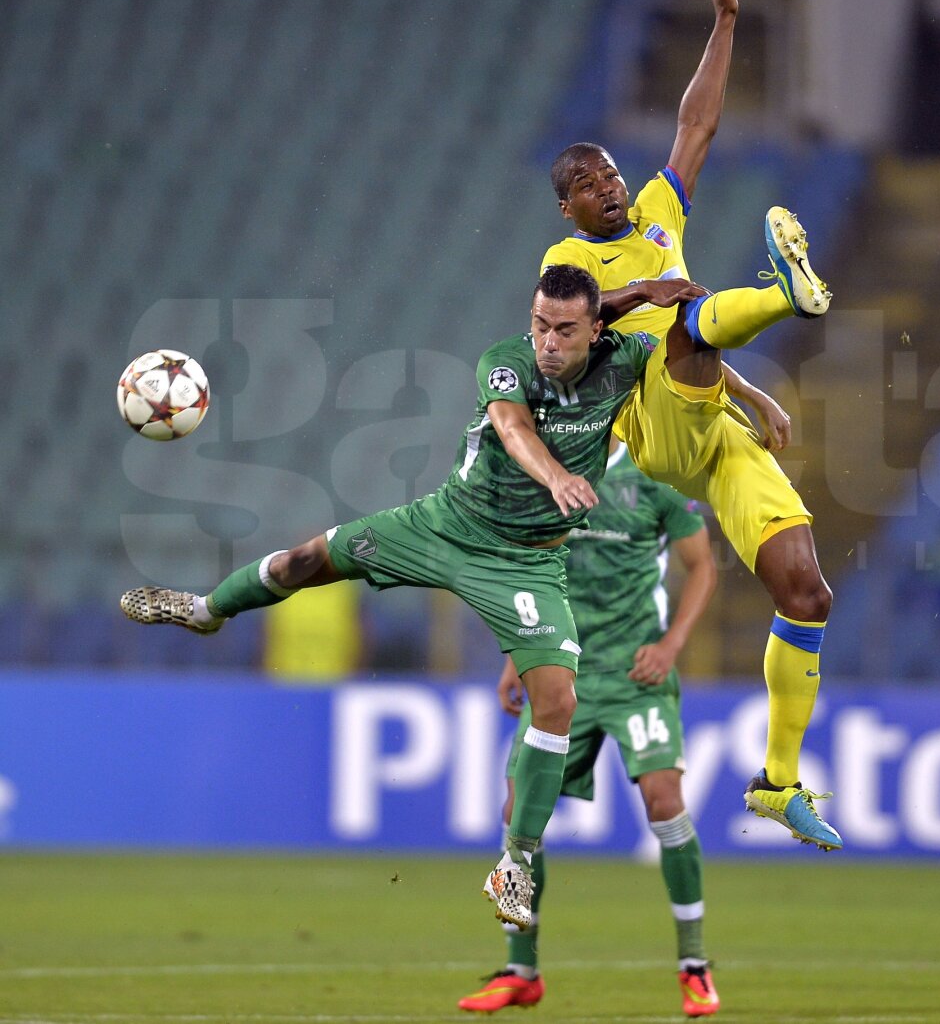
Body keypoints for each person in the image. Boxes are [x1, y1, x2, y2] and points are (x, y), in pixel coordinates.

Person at [119, 264, 654, 929]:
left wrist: (755, 397)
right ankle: (206, 611)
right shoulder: (506, 361)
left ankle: (514, 862)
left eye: (563, 329)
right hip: (443, 525)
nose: (546, 339)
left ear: (596, 328)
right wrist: (555, 476)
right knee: (304, 559)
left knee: (558, 699)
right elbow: (514, 429)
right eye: (539, 322)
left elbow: (694, 353)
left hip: (528, 561)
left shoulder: (631, 357)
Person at [541, 0, 841, 849]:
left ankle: (779, 785)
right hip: (654, 427)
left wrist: (724, 23)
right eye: (588, 183)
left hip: (714, 416)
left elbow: (696, 126)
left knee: (808, 589)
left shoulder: (662, 211)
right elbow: (563, 344)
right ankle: (786, 292)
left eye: (609, 170)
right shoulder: (570, 269)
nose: (609, 183)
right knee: (683, 327)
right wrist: (639, 297)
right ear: (569, 210)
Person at [459, 438, 720, 1017]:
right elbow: (531, 571)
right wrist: (515, 656)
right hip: (561, 669)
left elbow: (702, 566)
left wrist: (672, 644)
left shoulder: (659, 477)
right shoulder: (547, 473)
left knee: (664, 801)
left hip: (635, 672)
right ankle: (519, 967)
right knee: (516, 810)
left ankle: (694, 965)